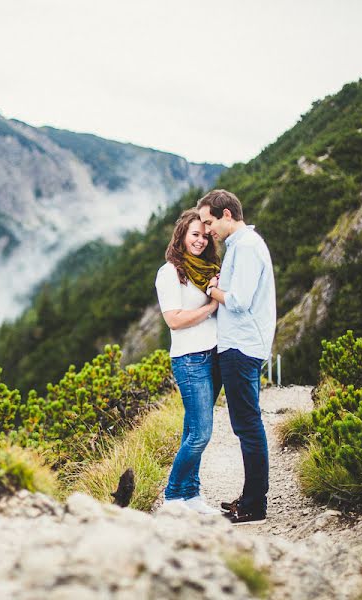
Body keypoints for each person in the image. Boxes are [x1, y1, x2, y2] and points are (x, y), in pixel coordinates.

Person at [197, 189, 276, 525]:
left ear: (226, 214)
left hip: (241, 347)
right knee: (246, 424)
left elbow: (240, 301)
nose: (207, 229)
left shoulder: (245, 247)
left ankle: (255, 505)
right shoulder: (241, 246)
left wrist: (208, 289)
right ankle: (249, 497)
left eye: (209, 221)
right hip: (239, 345)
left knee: (247, 425)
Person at [155, 208, 222, 515]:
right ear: (181, 235)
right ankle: (172, 497)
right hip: (189, 358)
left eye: (205, 236)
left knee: (191, 428)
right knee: (201, 433)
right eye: (195, 234)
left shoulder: (208, 268)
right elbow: (174, 320)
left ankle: (191, 496)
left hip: (213, 354)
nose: (201, 241)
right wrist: (210, 307)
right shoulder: (170, 272)